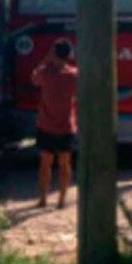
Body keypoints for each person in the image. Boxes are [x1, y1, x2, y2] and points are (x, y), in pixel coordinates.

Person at [32, 40, 78, 209]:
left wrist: (45, 58)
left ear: (54, 55)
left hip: (46, 125)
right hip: (66, 125)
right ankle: (61, 200)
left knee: (45, 164)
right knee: (65, 164)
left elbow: (34, 78)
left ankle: (43, 199)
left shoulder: (45, 72)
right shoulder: (74, 74)